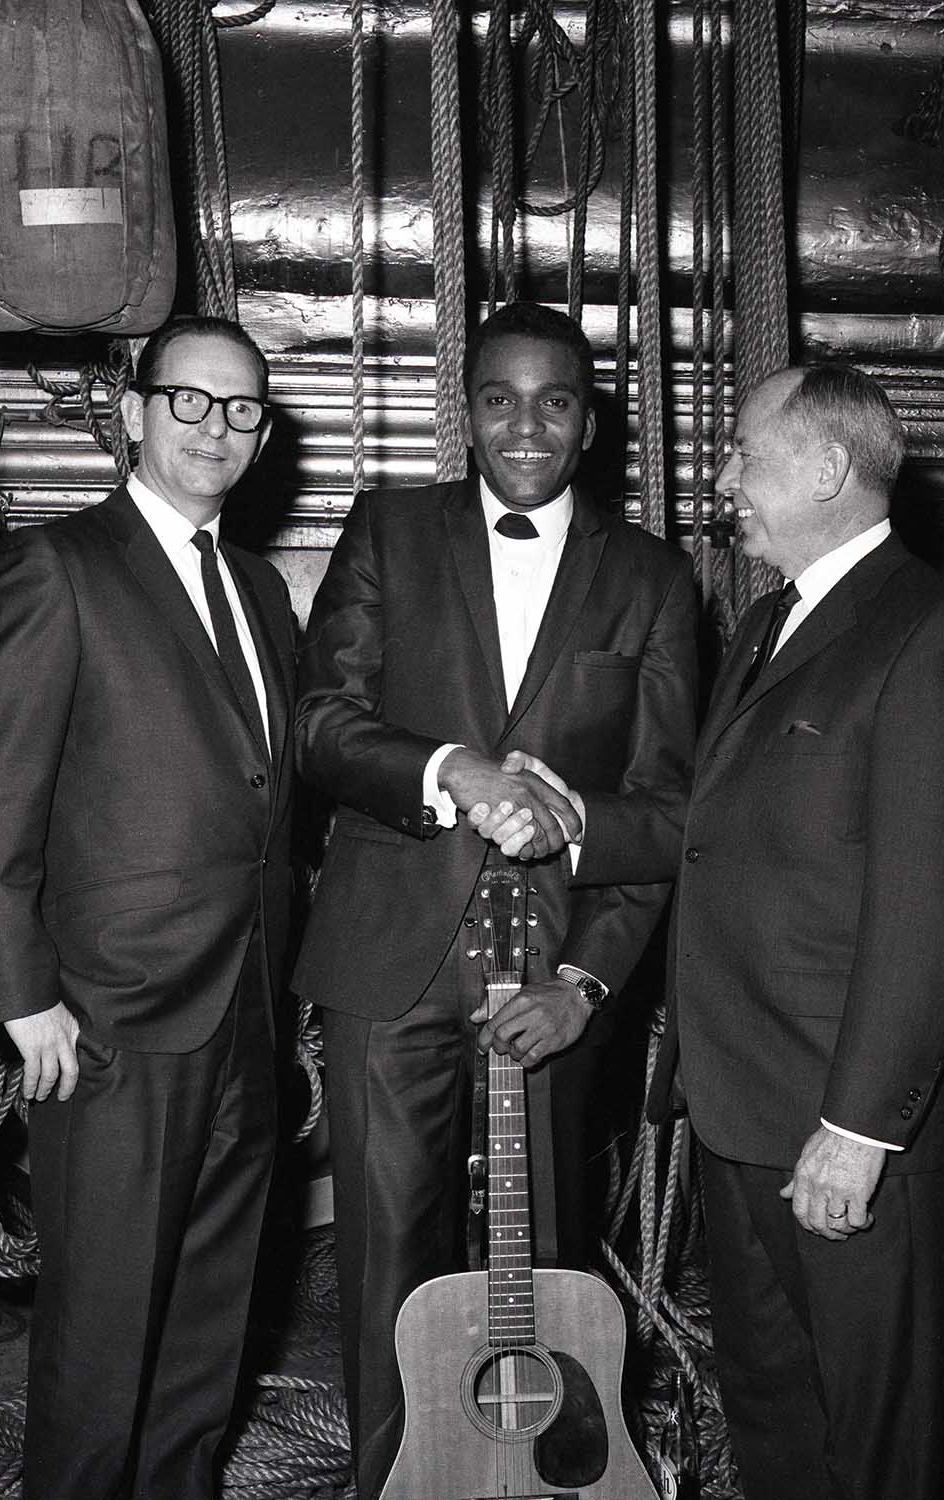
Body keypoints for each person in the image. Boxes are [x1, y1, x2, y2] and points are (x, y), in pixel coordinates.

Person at [293, 299, 698, 1500]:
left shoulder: (654, 577)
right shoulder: (386, 531)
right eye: (498, 399)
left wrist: (587, 982)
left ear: (590, 423)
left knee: (555, 1270)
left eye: (555, 401)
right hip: (391, 954)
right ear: (464, 413)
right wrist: (445, 770)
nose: (526, 425)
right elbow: (318, 723)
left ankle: (547, 1483)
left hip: (556, 971)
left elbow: (668, 808)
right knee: (388, 1275)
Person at [0, 315, 297, 1500]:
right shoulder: (58, 567)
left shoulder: (256, 590)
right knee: (101, 1339)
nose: (216, 429)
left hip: (243, 1010)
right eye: (190, 401)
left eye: (242, 410)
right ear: (133, 412)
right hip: (107, 1024)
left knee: (207, 1326)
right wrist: (21, 997)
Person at [650, 361, 944, 1500]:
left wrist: (856, 1131)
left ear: (821, 467)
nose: (722, 483)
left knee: (874, 1449)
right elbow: (716, 833)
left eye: (740, 458)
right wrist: (563, 825)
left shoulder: (930, 636)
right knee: (773, 1416)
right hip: (743, 1109)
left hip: (845, 1134)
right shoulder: (768, 622)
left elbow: (933, 909)